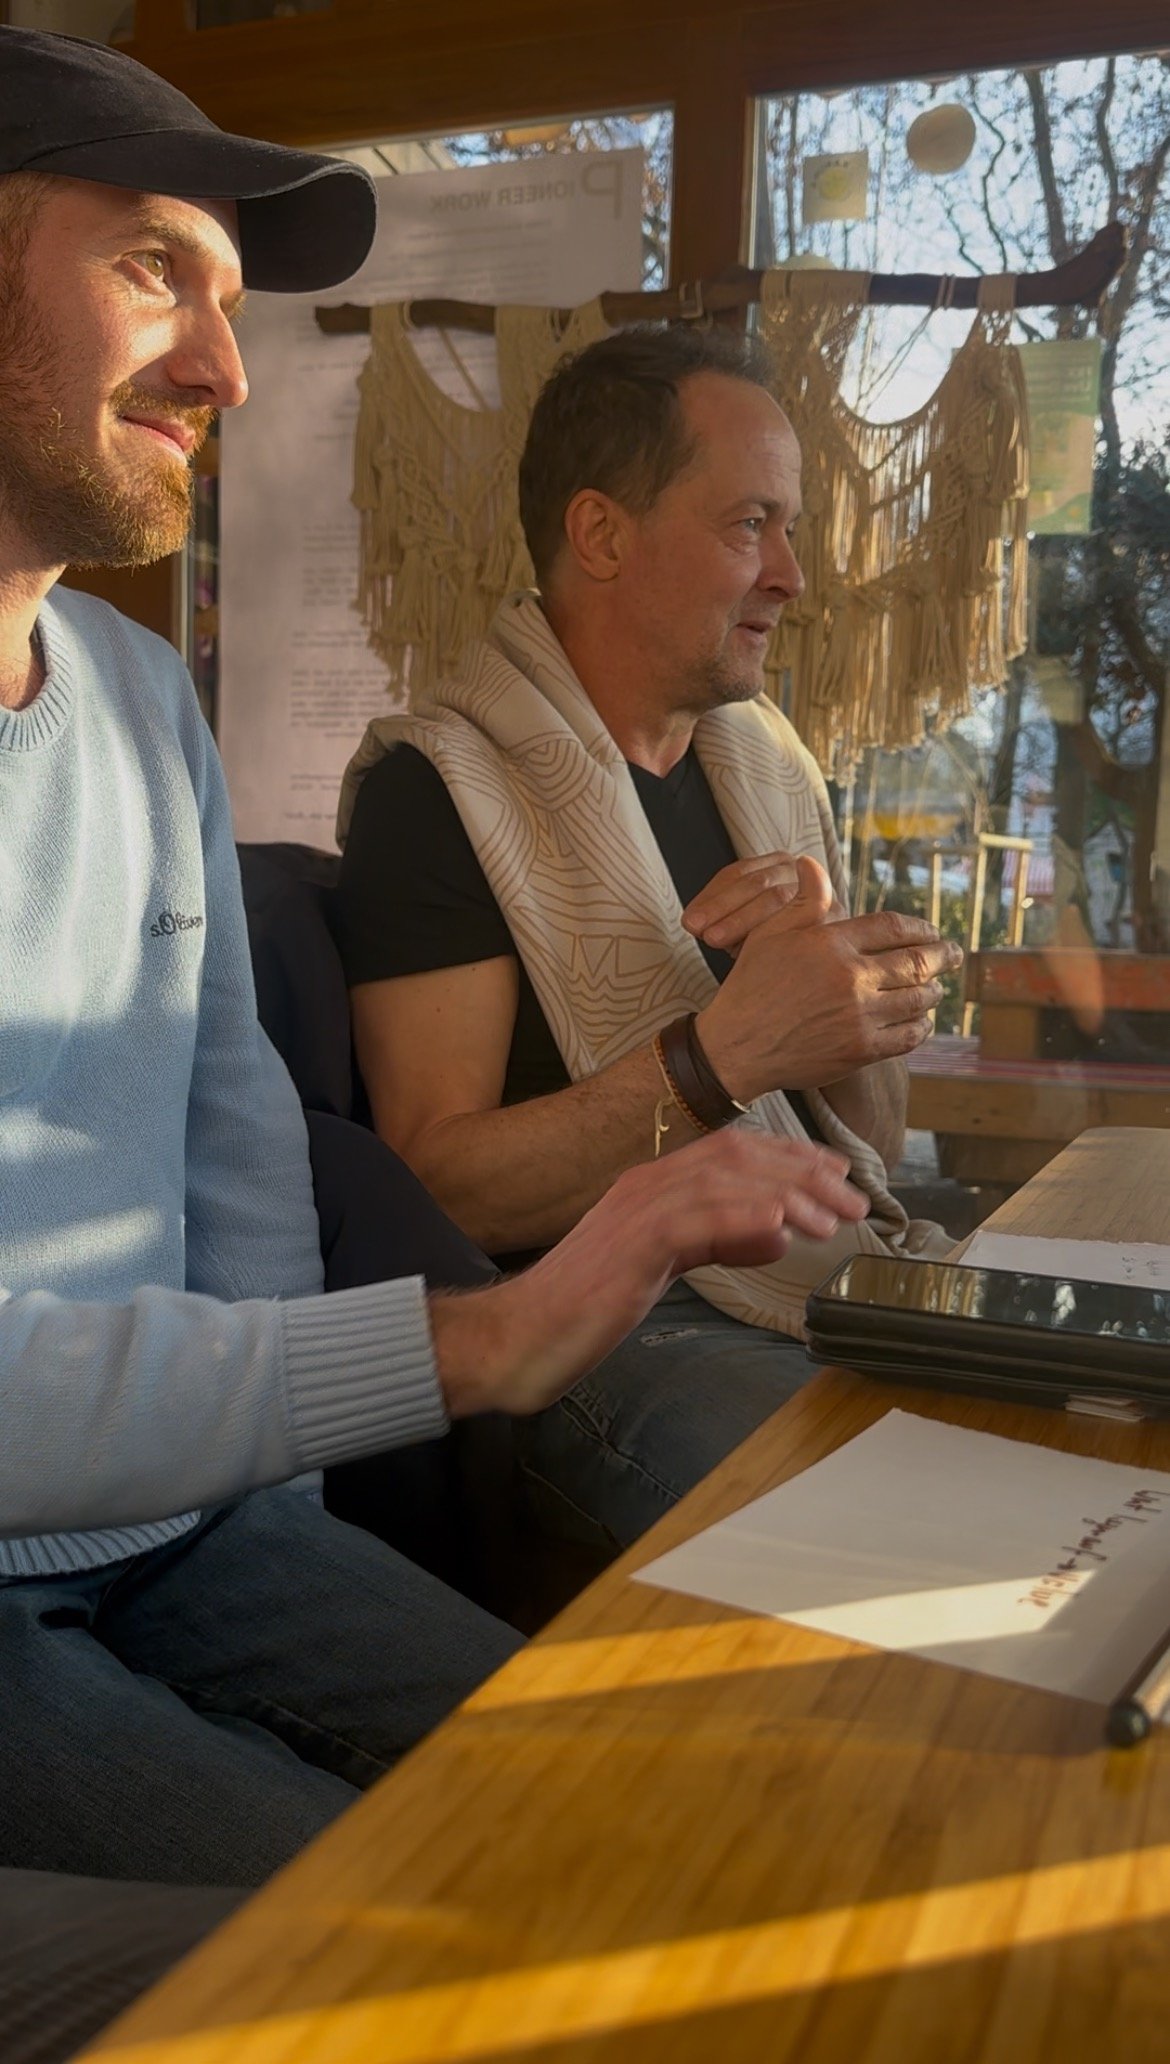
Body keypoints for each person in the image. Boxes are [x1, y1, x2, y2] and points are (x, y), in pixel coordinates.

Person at [0, 28, 870, 1900]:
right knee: (425, 1937)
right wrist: (479, 1333)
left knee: (675, 1829)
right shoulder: (439, 788)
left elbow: (239, 1152)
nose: (226, 365)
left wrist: (279, 1522)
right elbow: (444, 1183)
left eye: (228, 298)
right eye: (153, 268)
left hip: (194, 1523)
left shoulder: (139, 698)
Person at [334, 325, 964, 1551]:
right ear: (602, 535)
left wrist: (851, 1012)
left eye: (789, 528)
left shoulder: (768, 768)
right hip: (601, 1324)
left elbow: (870, 1153)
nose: (792, 575)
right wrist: (720, 1058)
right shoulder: (439, 788)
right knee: (898, 1541)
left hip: (825, 1263)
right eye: (750, 526)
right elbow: (438, 1183)